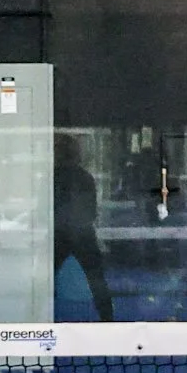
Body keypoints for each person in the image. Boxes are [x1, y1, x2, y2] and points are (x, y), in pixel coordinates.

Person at [53, 132, 114, 321]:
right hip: (82, 233)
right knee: (96, 280)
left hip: (61, 233)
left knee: (44, 277)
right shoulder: (85, 177)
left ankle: (33, 317)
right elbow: (91, 210)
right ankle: (107, 319)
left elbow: (46, 207)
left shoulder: (53, 177)